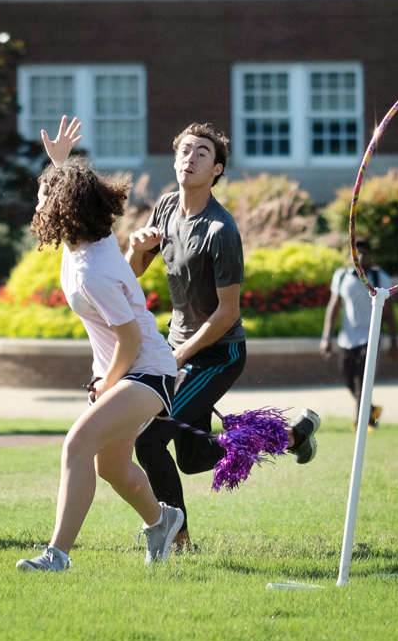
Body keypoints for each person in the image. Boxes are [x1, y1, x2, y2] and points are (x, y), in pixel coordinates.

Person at [126, 123, 321, 553]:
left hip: (216, 355)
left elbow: (227, 312)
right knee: (193, 460)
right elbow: (133, 271)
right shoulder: (165, 207)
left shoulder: (221, 231)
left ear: (216, 169)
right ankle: (290, 437)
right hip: (178, 350)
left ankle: (178, 539)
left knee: (147, 437)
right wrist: (136, 247)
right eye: (185, 150)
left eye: (201, 153)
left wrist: (177, 357)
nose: (189, 158)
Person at [17, 116, 185, 572]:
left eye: (43, 196)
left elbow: (130, 341)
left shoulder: (94, 268)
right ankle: (163, 520)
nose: (37, 201)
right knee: (111, 468)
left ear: (61, 208)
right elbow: (71, 190)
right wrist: (59, 164)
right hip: (125, 371)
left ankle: (57, 555)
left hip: (147, 372)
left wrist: (106, 384)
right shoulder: (85, 241)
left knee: (76, 446)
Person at [321, 240, 398, 430]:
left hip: (370, 337)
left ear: (370, 255)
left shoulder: (380, 278)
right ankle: (371, 409)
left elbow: (389, 311)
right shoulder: (341, 276)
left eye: (365, 253)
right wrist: (326, 338)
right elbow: (334, 307)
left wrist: (394, 341)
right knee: (348, 379)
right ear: (350, 256)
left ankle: (360, 422)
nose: (361, 257)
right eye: (357, 253)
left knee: (362, 380)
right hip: (346, 338)